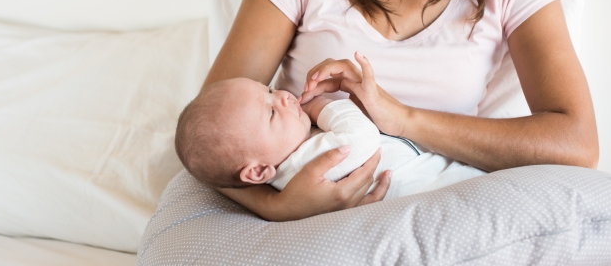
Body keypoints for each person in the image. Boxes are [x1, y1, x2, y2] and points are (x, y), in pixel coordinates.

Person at [203, 0, 598, 222]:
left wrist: (402, 118)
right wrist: (280, 207)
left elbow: (576, 143)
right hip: (305, 216)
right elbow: (208, 138)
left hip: (434, 210)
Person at [176, 53, 486, 200]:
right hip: (441, 183)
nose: (284, 96)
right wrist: (321, 108)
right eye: (271, 112)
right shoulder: (300, 167)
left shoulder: (289, 155)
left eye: (269, 90)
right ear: (258, 172)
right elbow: (360, 139)